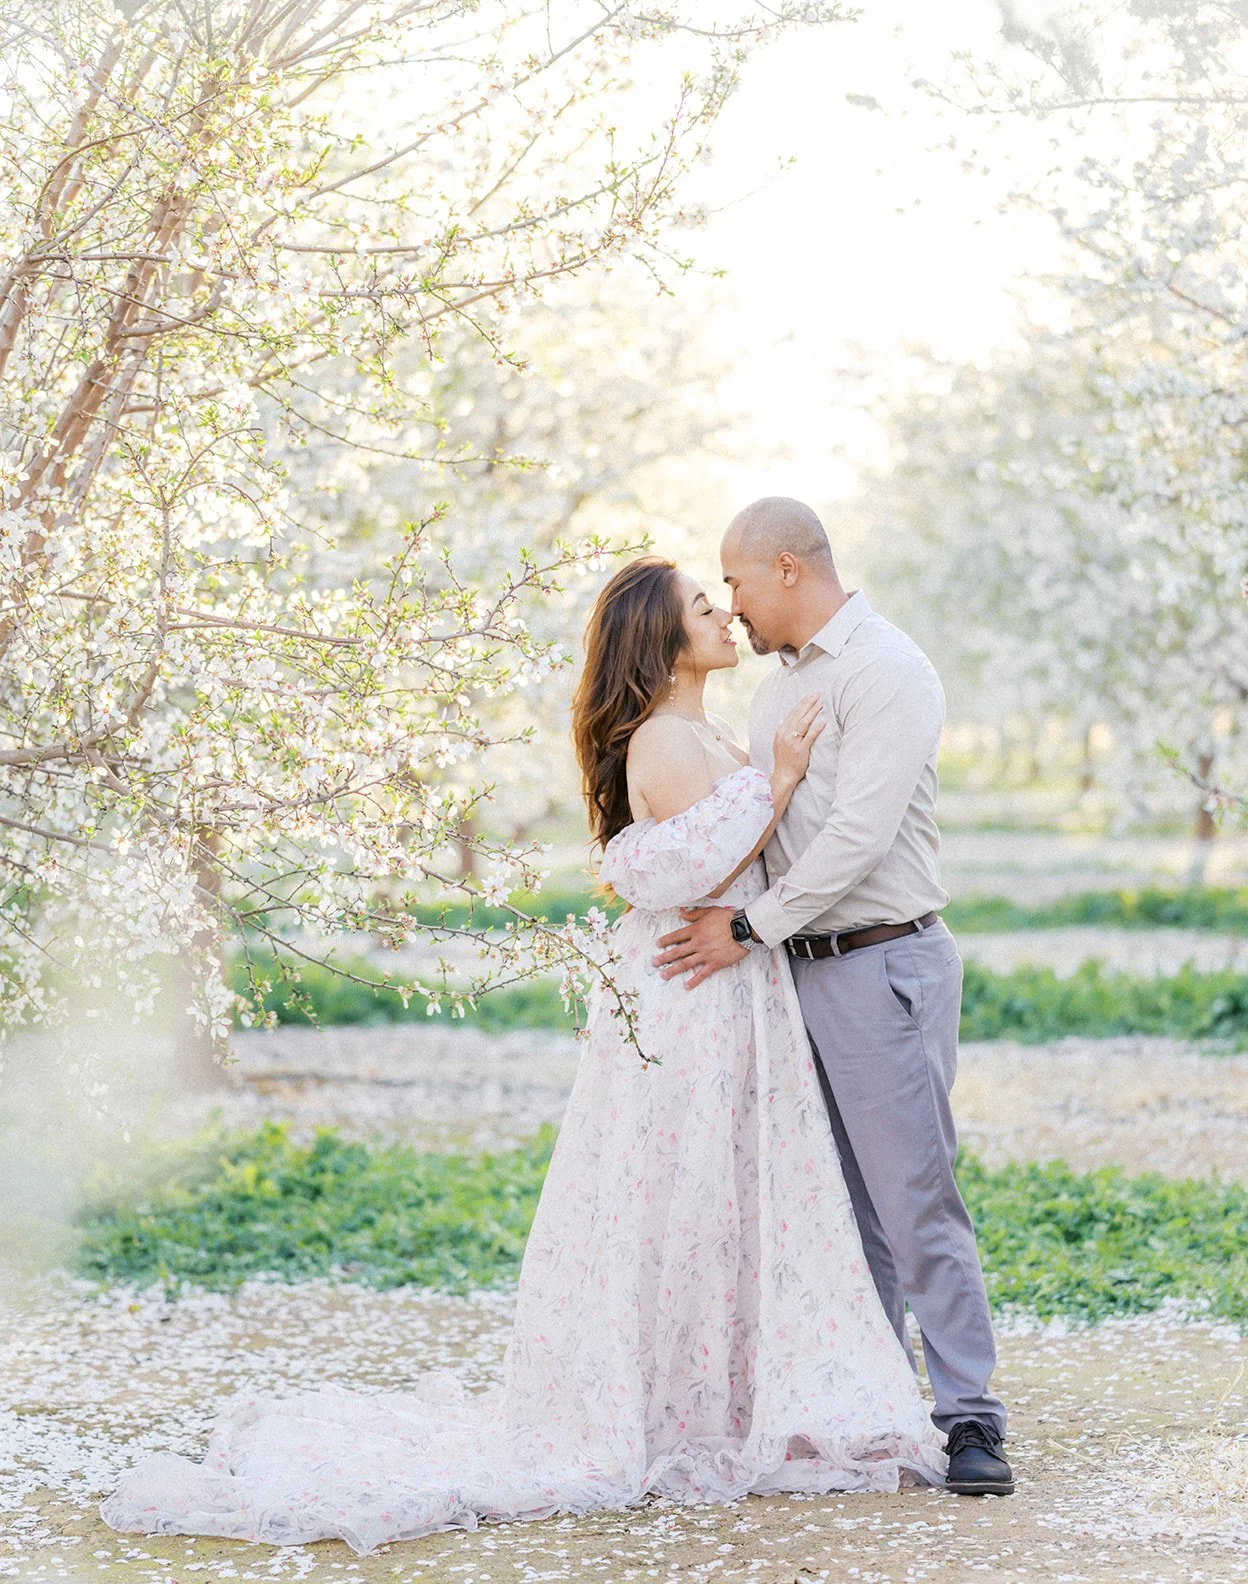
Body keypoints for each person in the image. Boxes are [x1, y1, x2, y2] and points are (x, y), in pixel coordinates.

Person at [100, 554, 945, 1557]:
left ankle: (718, 1395)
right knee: (684, 1189)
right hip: (691, 993)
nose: (722, 614)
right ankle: (675, 1408)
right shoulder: (666, 739)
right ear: (660, 639)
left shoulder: (708, 729)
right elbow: (689, 865)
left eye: (722, 597)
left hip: (724, 984)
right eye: (699, 605)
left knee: (718, 1192)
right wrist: (784, 784)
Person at [653, 498, 1013, 1497]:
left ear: (782, 567)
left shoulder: (888, 670)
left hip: (879, 961)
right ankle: (872, 1407)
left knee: (912, 1198)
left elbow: (855, 838)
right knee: (835, 1209)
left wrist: (742, 928)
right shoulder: (777, 690)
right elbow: (756, 821)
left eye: (733, 582)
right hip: (788, 974)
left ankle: (969, 1418)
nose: (729, 607)